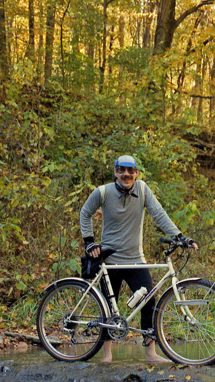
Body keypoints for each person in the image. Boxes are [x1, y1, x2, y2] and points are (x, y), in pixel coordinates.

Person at [79, 155, 198, 363]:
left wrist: (179, 237)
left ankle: (151, 353)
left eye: (131, 170)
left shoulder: (142, 189)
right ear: (115, 171)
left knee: (148, 303)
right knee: (108, 306)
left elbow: (159, 214)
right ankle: (107, 355)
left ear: (136, 173)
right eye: (122, 170)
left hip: (135, 259)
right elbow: (85, 213)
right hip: (110, 260)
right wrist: (89, 242)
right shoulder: (103, 191)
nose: (126, 174)